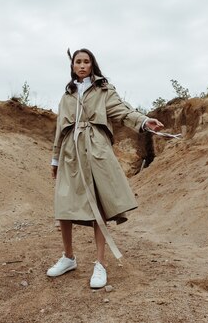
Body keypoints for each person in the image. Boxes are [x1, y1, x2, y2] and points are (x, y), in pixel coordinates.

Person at [46, 48, 164, 289]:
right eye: (77, 61)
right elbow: (60, 129)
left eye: (86, 61)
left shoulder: (103, 90)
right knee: (64, 204)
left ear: (92, 65)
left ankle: (100, 264)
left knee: (98, 206)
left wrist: (143, 121)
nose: (81, 65)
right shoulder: (66, 96)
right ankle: (68, 257)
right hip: (70, 153)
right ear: (72, 66)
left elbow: (123, 111)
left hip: (96, 151)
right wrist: (55, 159)